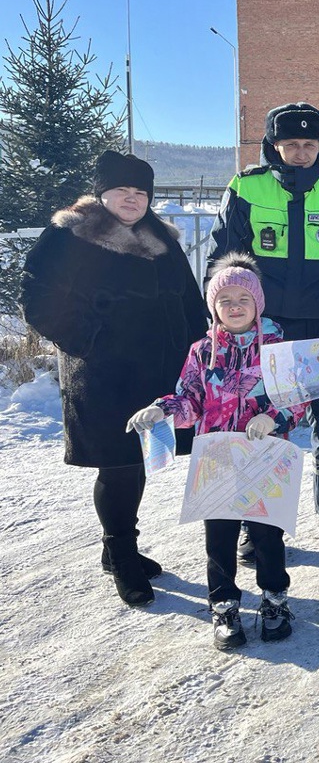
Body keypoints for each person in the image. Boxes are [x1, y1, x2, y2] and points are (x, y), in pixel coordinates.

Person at [19, 151, 208, 607]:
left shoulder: (161, 236)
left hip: (159, 372)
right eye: (123, 190)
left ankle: (117, 546)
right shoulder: (71, 233)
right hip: (103, 374)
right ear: (102, 193)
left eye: (141, 192)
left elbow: (188, 297)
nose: (132, 199)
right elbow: (38, 297)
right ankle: (121, 554)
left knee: (138, 460)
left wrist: (198, 347)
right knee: (118, 463)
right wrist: (89, 340)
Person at [208, 102, 319, 548]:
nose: (301, 152)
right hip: (264, 330)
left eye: (309, 144)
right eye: (291, 144)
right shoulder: (246, 187)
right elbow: (224, 258)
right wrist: (231, 319)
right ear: (273, 145)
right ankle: (255, 526)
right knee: (261, 421)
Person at [127, 254, 305, 649]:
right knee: (220, 538)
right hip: (218, 456)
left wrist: (274, 418)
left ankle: (275, 599)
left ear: (257, 301)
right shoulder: (201, 350)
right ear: (214, 306)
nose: (235, 306)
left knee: (266, 536)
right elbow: (189, 397)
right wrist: (163, 409)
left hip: (266, 456)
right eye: (225, 300)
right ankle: (224, 605)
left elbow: (298, 398)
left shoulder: (279, 345)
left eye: (244, 297)